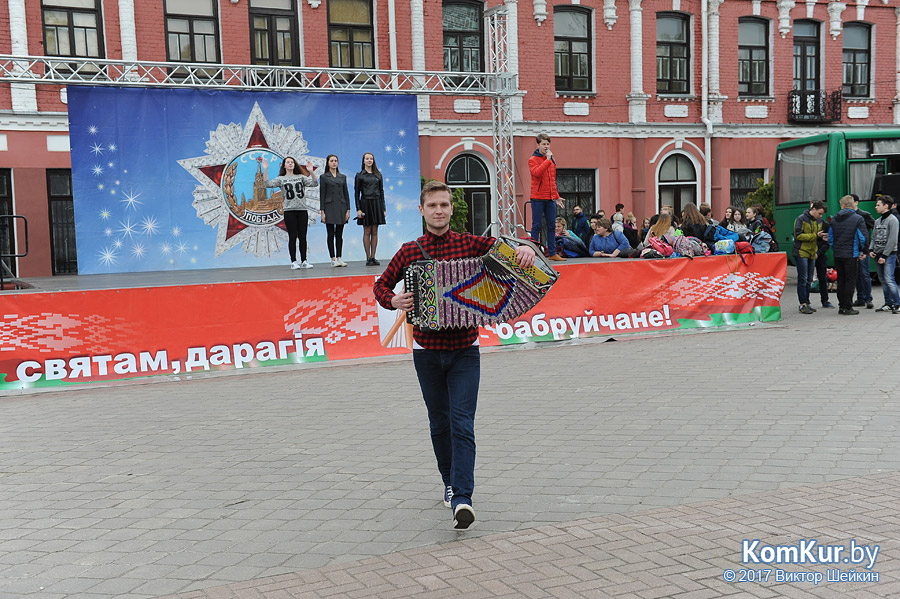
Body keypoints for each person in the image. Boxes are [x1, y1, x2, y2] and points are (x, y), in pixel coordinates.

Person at [373, 180, 536, 530]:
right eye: (432, 205)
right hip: (426, 352)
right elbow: (380, 286)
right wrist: (393, 300)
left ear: (451, 208)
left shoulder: (470, 244)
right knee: (439, 424)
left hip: (465, 350)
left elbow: (508, 249)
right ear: (422, 210)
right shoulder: (409, 251)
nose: (439, 211)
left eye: (444, 205)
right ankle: (448, 482)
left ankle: (463, 497)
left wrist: (527, 249)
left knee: (462, 424)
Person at [263, 155, 318, 270]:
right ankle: (293, 261)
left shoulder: (301, 177)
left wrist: (311, 172)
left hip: (302, 210)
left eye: (292, 162)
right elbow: (267, 184)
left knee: (303, 236)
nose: (290, 164)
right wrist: (265, 169)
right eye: (288, 162)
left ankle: (304, 260)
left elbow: (314, 184)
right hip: (289, 211)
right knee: (292, 236)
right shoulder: (281, 179)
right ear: (284, 165)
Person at [828, 195, 869, 315]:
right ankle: (848, 307)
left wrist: (834, 248)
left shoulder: (834, 218)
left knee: (841, 281)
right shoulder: (858, 219)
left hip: (838, 254)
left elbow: (830, 237)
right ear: (852, 205)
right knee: (850, 281)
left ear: (843, 205)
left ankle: (841, 306)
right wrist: (863, 251)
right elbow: (863, 237)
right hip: (851, 254)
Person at [528, 133, 566, 262]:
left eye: (548, 144)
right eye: (544, 144)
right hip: (537, 197)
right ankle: (533, 252)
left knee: (551, 225)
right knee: (537, 225)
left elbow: (552, 181)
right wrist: (547, 160)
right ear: (538, 145)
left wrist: (556, 196)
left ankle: (552, 252)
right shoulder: (533, 159)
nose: (546, 146)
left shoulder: (551, 160)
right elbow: (537, 173)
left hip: (550, 198)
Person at [792, 200, 827, 314]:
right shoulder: (801, 219)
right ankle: (803, 304)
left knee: (809, 280)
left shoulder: (819, 221)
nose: (820, 216)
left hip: (812, 253)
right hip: (801, 252)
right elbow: (798, 235)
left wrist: (823, 237)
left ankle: (807, 302)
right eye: (819, 213)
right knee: (803, 279)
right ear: (813, 209)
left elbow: (818, 236)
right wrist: (815, 236)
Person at [319, 154, 351, 267]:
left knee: (339, 234)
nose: (334, 163)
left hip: (341, 206)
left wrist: (348, 209)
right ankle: (332, 259)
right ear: (328, 163)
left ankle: (339, 258)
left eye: (336, 161)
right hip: (329, 207)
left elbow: (346, 193)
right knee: (330, 233)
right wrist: (322, 211)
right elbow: (322, 194)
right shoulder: (324, 177)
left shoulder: (342, 177)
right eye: (332, 161)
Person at [870, 196, 900, 313]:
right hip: (878, 254)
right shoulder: (877, 221)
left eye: (878, 205)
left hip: (888, 255)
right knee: (882, 279)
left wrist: (884, 256)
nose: (876, 207)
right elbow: (874, 237)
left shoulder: (893, 220)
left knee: (889, 279)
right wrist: (871, 249)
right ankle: (888, 303)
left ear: (886, 206)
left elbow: (893, 240)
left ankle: (897, 304)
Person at [355, 152, 386, 266]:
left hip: (377, 203)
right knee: (367, 231)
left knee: (375, 231)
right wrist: (358, 209)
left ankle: (373, 256)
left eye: (371, 159)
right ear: (363, 161)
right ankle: (368, 257)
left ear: (373, 161)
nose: (369, 160)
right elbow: (356, 193)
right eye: (367, 159)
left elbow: (382, 192)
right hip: (365, 204)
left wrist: (383, 208)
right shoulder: (359, 175)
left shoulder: (378, 175)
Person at [850, 194, 876, 309]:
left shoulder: (864, 215)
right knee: (856, 275)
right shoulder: (848, 215)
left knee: (864, 273)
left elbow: (875, 227)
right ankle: (860, 298)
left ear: (856, 202)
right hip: (851, 249)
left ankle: (868, 298)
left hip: (862, 249)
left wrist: (870, 246)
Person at [813, 207, 834, 309]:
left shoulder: (824, 224)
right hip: (808, 253)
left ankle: (825, 300)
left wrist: (819, 252)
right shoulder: (804, 221)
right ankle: (805, 302)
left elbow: (827, 241)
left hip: (820, 254)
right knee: (806, 279)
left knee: (822, 277)